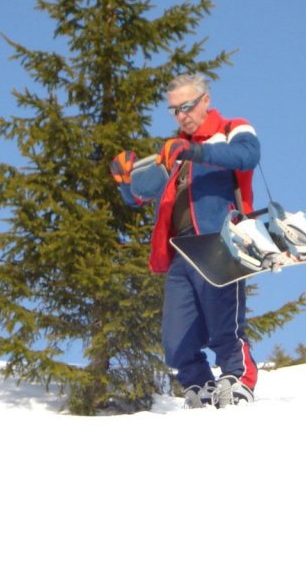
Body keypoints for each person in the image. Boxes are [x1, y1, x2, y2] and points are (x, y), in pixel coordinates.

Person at [111, 73, 261, 408]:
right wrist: (125, 180)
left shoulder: (231, 129)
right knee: (176, 336)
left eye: (187, 106)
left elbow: (247, 156)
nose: (182, 116)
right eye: (174, 110)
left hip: (220, 241)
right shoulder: (173, 153)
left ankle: (238, 379)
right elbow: (140, 196)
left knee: (225, 320)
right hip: (181, 251)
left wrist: (194, 151)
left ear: (206, 100)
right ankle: (199, 386)